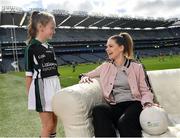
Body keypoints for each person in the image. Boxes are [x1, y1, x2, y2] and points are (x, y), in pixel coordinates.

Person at [79, 32, 155, 137]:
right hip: (116, 106)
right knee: (98, 110)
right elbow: (86, 74)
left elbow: (146, 90)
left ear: (121, 48)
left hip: (134, 104)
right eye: (106, 47)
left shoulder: (137, 66)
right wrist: (85, 77)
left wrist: (147, 103)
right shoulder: (106, 66)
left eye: (110, 46)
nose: (107, 49)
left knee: (124, 123)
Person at [24, 11, 61, 137]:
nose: (54, 31)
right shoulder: (31, 48)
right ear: (41, 27)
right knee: (48, 125)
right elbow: (29, 75)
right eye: (52, 28)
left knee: (55, 121)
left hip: (55, 85)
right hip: (42, 87)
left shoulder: (50, 47)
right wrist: (30, 95)